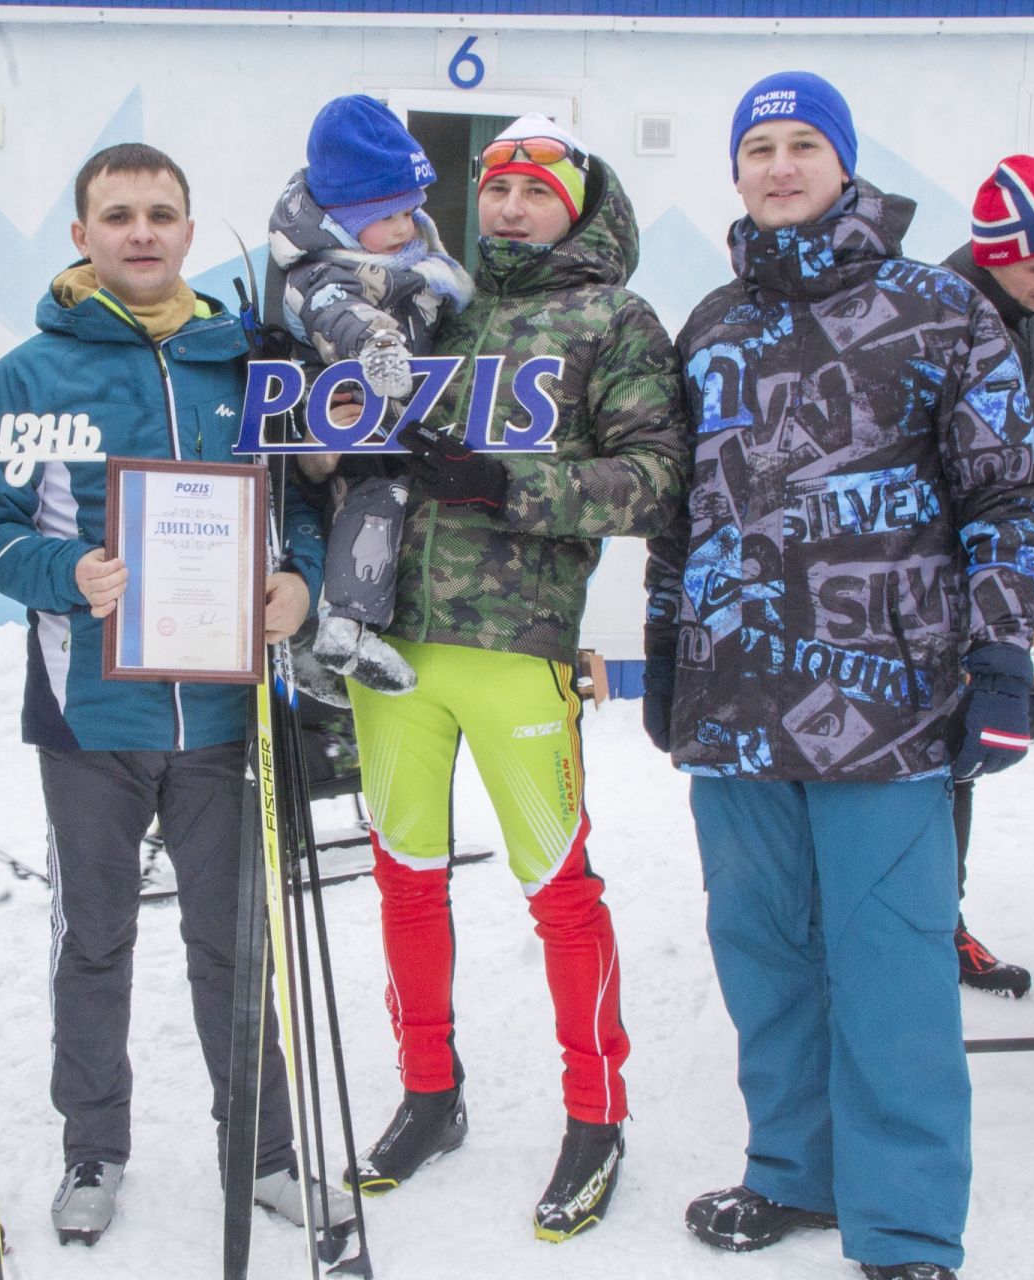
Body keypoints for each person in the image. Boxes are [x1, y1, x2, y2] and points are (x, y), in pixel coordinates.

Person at [646, 71, 1034, 1280]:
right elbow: (683, 514)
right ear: (735, 172)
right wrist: (669, 649)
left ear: (845, 162)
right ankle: (796, 1169)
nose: (780, 166)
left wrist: (999, 653)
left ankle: (910, 1219)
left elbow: (1009, 490)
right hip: (733, 702)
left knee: (891, 957)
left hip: (889, 697)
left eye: (802, 145)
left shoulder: (939, 309)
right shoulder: (711, 322)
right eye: (758, 147)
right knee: (762, 945)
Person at [0, 142, 347, 1246]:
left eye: (161, 213)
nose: (140, 231)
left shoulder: (248, 363)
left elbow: (296, 505)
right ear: (80, 234)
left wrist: (294, 582)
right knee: (96, 939)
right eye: (116, 214)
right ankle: (94, 1146)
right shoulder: (30, 374)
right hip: (93, 713)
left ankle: (263, 1151)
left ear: (186, 228)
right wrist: (62, 575)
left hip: (224, 712)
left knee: (235, 940)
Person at [337, 113, 688, 1243]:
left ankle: (596, 1112)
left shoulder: (614, 319)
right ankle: (430, 1093)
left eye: (536, 189)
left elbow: (655, 482)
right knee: (405, 879)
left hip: (517, 647)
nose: (511, 208)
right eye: (495, 188)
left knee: (559, 890)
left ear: (576, 202)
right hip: (395, 646)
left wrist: (508, 482)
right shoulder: (435, 304)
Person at [269, 94, 473, 697]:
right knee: (354, 512)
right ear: (347, 218)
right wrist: (378, 343)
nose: (405, 228)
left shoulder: (420, 263)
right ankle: (332, 632)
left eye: (412, 212)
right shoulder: (320, 268)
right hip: (349, 420)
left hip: (402, 428)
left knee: (383, 509)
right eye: (389, 216)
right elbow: (337, 312)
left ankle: (344, 631)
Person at [939, 154, 1034, 999]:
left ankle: (941, 923)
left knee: (957, 764)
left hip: (984, 578)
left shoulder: (1013, 311)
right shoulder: (951, 313)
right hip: (936, 586)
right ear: (994, 251)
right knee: (937, 763)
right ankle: (927, 930)